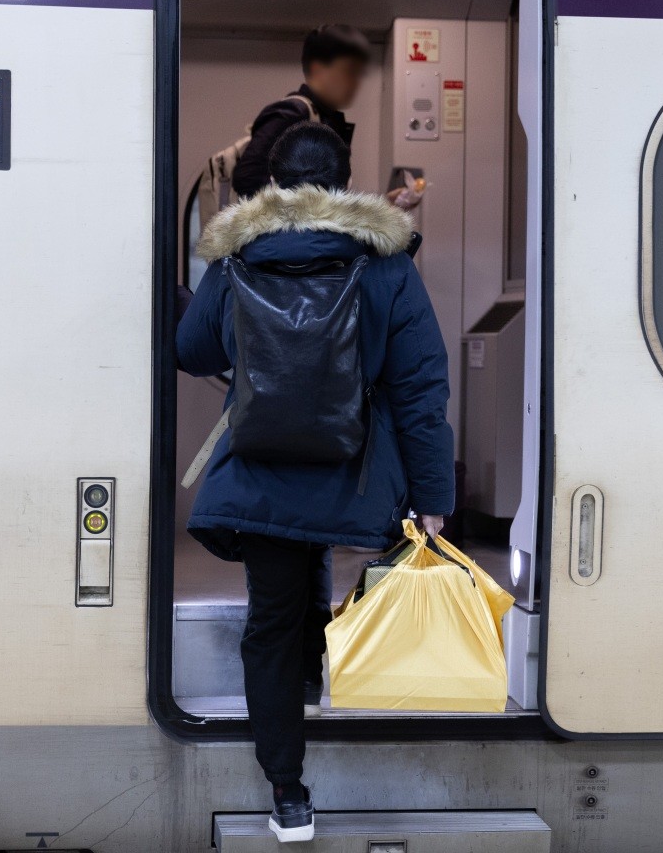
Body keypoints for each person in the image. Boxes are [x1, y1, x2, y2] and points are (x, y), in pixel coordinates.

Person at [176, 122, 454, 843]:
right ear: (344, 181)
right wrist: (434, 497)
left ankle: (287, 792)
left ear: (273, 182)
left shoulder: (235, 255)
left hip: (260, 467)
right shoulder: (386, 264)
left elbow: (192, 349)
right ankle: (310, 684)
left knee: (272, 615)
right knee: (315, 559)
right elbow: (420, 390)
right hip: (349, 469)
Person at [231, 24, 369, 200]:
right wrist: (297, 209)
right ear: (318, 70)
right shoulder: (293, 113)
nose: (356, 82)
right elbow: (247, 178)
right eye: (349, 71)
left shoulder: (323, 117)